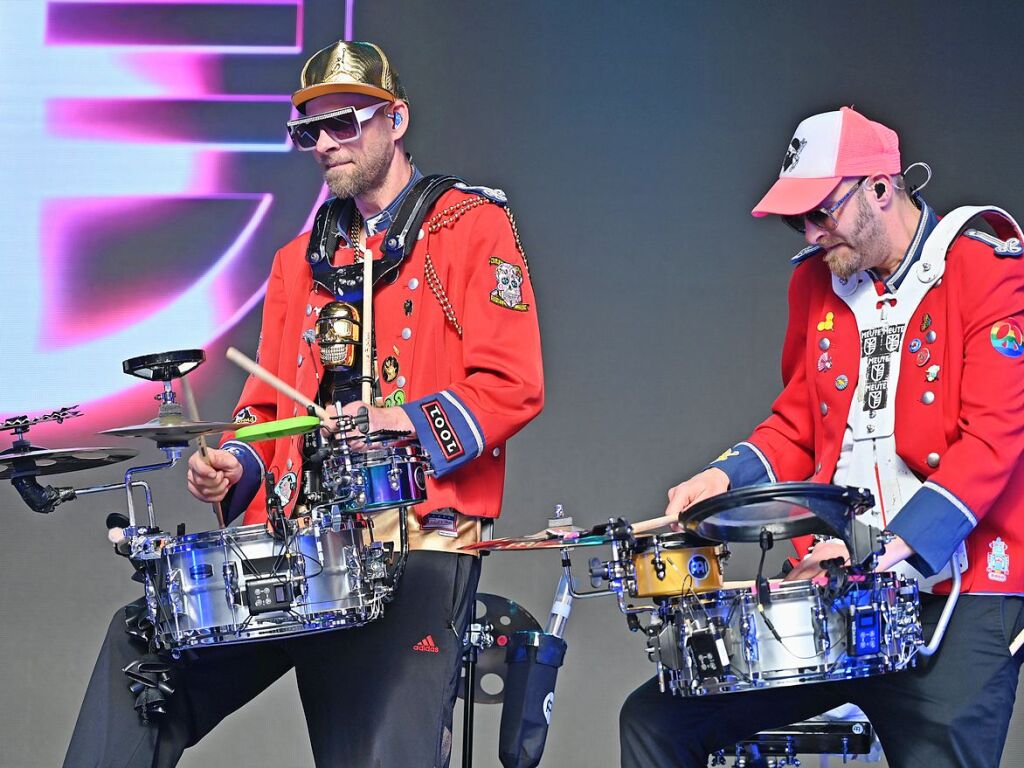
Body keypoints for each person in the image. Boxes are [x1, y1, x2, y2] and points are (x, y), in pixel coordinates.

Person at [64, 40, 543, 768]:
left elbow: (513, 384)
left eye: (344, 123)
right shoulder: (299, 261)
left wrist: (401, 420)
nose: (324, 143)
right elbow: (265, 415)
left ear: (397, 119)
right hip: (306, 551)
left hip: (415, 545)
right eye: (308, 131)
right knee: (144, 653)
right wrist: (236, 466)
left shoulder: (470, 226)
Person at [619, 107, 1024, 767]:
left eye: (821, 213)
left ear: (880, 188)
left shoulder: (981, 260)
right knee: (658, 721)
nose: (809, 233)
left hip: (961, 595)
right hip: (845, 594)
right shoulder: (814, 283)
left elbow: (998, 435)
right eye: (795, 220)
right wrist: (723, 478)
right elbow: (798, 423)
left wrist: (887, 550)